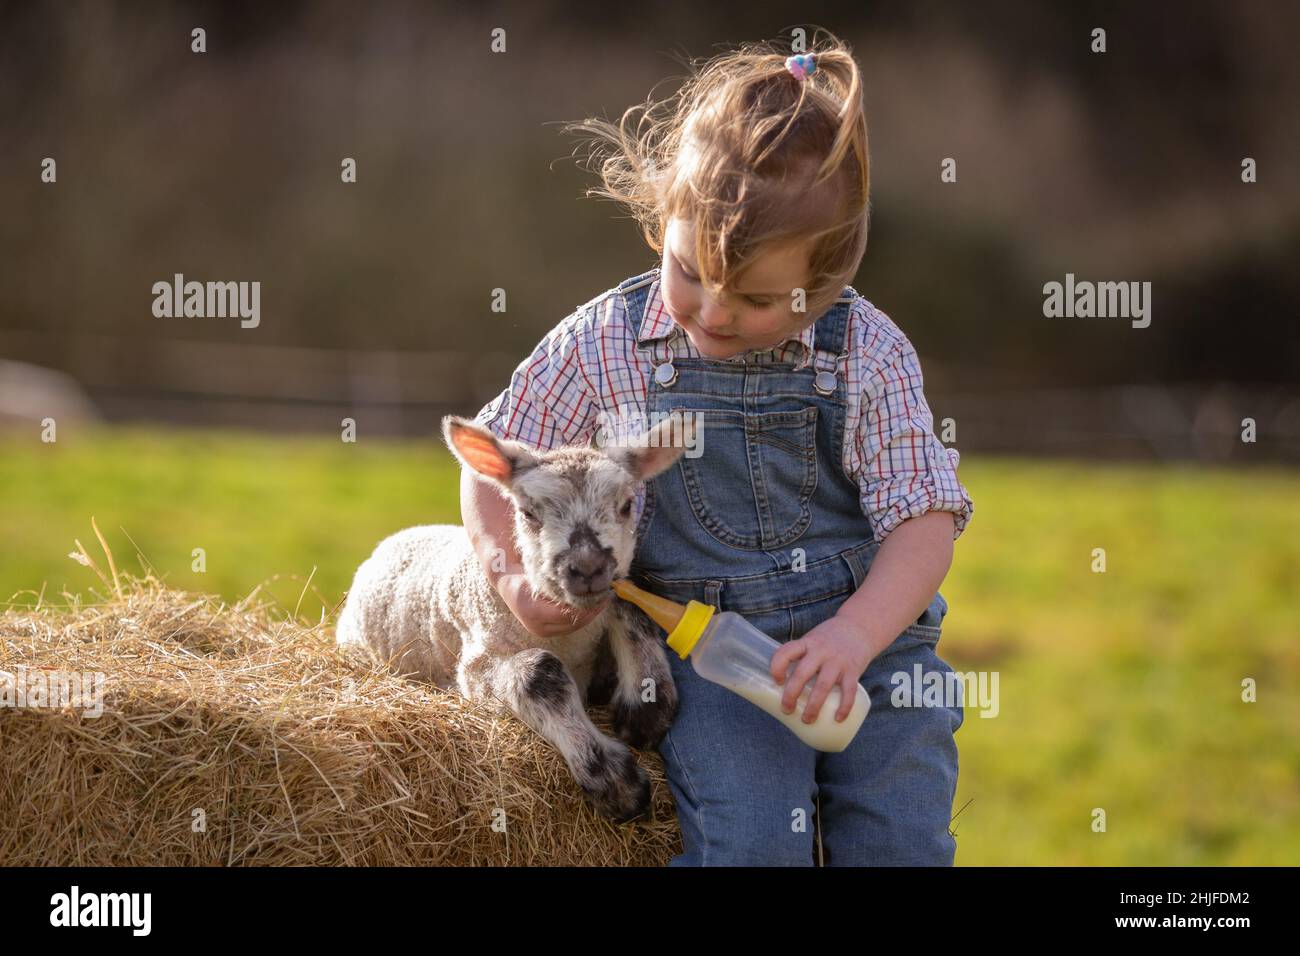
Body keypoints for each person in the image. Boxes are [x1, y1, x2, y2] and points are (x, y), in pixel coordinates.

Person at [464, 33, 974, 866]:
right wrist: (511, 577)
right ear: (661, 216)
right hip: (712, 656)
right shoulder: (607, 343)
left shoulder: (865, 353)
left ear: (830, 277)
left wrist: (853, 637)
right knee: (751, 842)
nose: (712, 313)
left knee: (903, 839)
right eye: (689, 270)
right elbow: (492, 463)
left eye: (758, 297)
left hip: (874, 652)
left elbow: (926, 518)